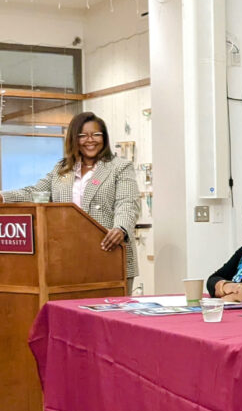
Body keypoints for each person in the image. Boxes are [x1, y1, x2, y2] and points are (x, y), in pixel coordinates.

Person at [0, 111, 140, 292]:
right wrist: (3, 197)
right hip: (69, 258)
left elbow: (127, 202)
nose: (90, 140)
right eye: (83, 136)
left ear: (104, 137)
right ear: (74, 139)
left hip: (109, 252)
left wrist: (120, 228)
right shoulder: (62, 169)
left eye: (96, 134)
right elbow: (35, 192)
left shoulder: (119, 167)